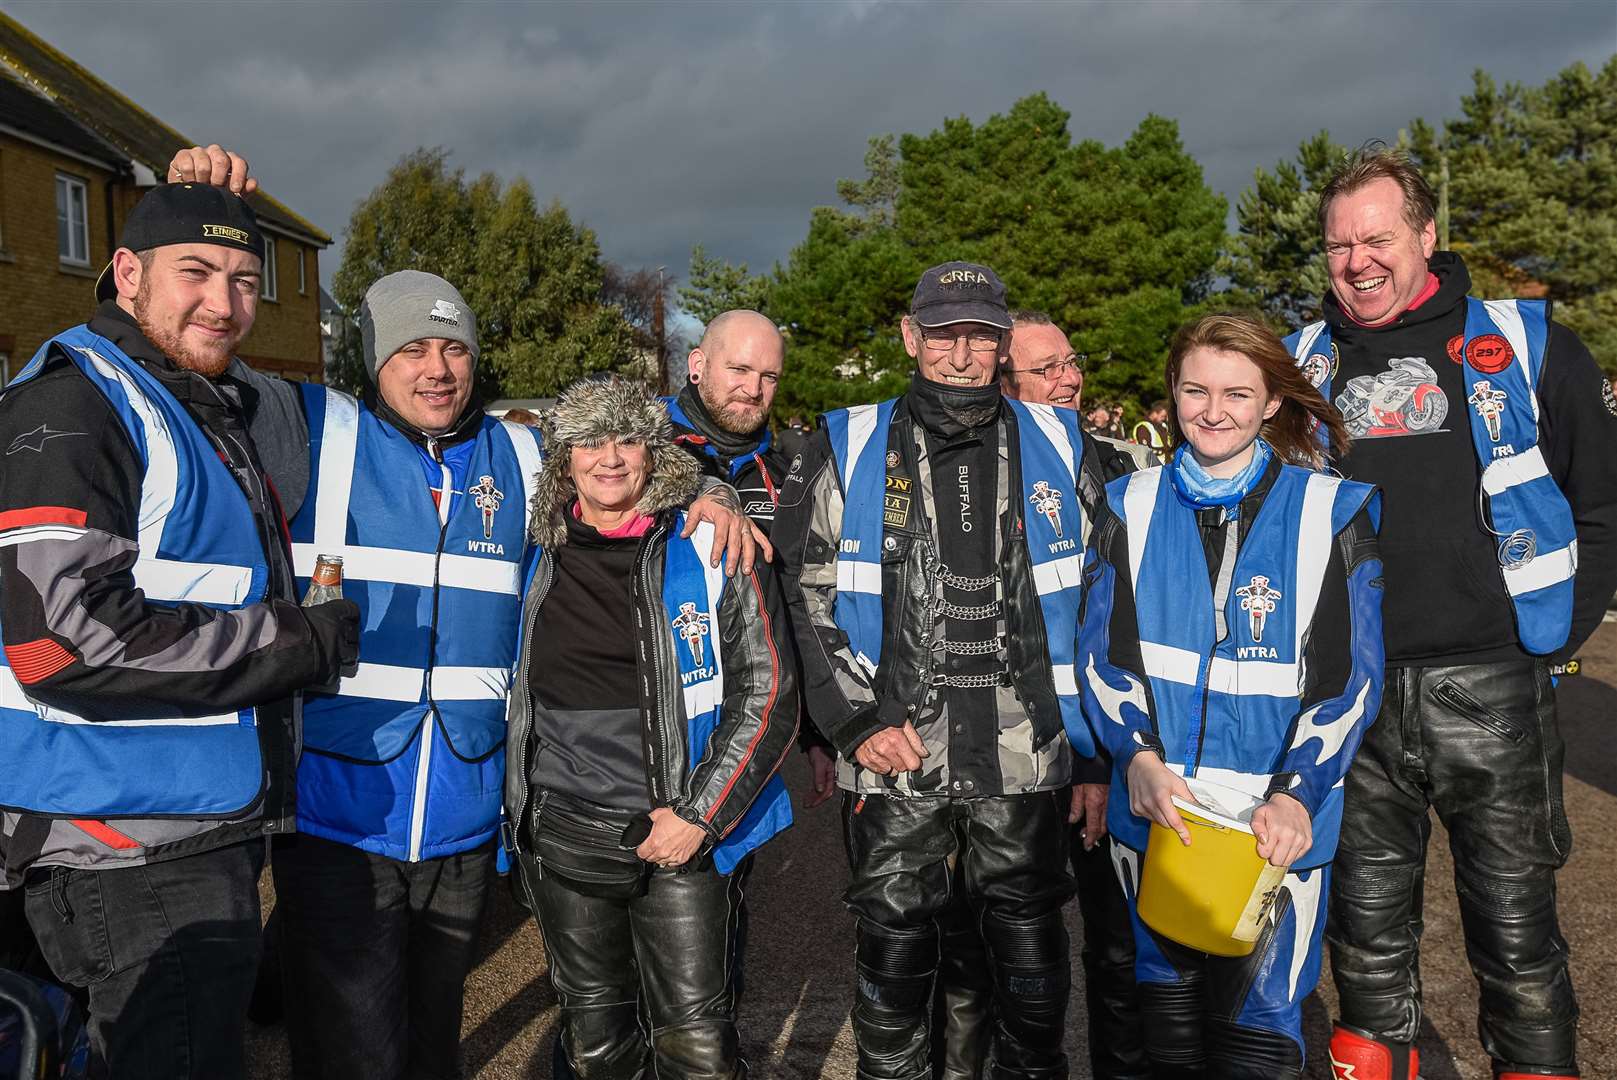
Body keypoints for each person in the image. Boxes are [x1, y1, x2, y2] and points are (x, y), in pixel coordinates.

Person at [0, 181, 359, 1079]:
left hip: (182, 824)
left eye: (244, 280)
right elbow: (61, 640)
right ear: (126, 274)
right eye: (195, 272)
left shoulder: (192, 398)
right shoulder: (74, 404)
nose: (225, 302)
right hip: (125, 842)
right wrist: (300, 644)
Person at [1285, 147, 1617, 1080]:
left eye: (1376, 237)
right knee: (1365, 952)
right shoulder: (1299, 362)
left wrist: (1547, 637)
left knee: (1517, 945)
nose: (1356, 261)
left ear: (1426, 235)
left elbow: (1604, 501)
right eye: (1337, 244)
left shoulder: (1523, 341)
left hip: (1492, 692)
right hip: (1347, 703)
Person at [776, 262, 1102, 1079]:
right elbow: (801, 591)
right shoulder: (846, 440)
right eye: (944, 333)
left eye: (981, 336)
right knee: (892, 971)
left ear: (1002, 343)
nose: (961, 354)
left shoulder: (1063, 443)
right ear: (910, 336)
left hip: (1026, 760)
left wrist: (1095, 754)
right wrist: (853, 723)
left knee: (1027, 980)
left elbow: (1107, 605)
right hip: (895, 758)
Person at [1080, 312, 1385, 1078]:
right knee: (1166, 1045)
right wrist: (1138, 759)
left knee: (1257, 1042)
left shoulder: (1330, 510)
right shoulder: (1127, 504)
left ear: (1272, 402)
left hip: (1272, 829)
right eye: (1194, 390)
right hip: (1158, 815)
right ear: (1172, 393)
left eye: (1237, 394)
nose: (1212, 411)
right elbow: (1101, 661)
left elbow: (1350, 682)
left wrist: (1295, 792)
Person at [505, 376, 797, 1078]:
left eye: (627, 439)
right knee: (595, 1041)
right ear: (562, 457)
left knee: (696, 1047)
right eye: (587, 441)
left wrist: (700, 815)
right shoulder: (531, 550)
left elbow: (770, 691)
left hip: (678, 832)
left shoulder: (709, 544)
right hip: (564, 829)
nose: (609, 458)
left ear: (653, 452)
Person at [996, 310, 1153, 1080]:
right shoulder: (976, 475)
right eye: (1046, 369)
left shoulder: (1119, 465)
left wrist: (1101, 758)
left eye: (1071, 362)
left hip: (1111, 743)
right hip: (1015, 750)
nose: (1068, 378)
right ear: (1004, 387)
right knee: (1021, 949)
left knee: (1120, 941)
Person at [664, 309, 838, 808]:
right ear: (697, 364)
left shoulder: (782, 476)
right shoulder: (636, 447)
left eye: (768, 377)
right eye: (738, 370)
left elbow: (793, 606)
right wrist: (700, 487)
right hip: (633, 729)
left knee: (724, 883)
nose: (753, 389)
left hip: (739, 738)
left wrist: (814, 736)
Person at [1130, 400, 1171, 464]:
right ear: (1154, 413)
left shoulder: (1162, 426)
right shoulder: (1143, 427)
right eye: (1162, 416)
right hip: (1153, 466)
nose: (1164, 419)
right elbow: (1145, 450)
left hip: (1166, 464)